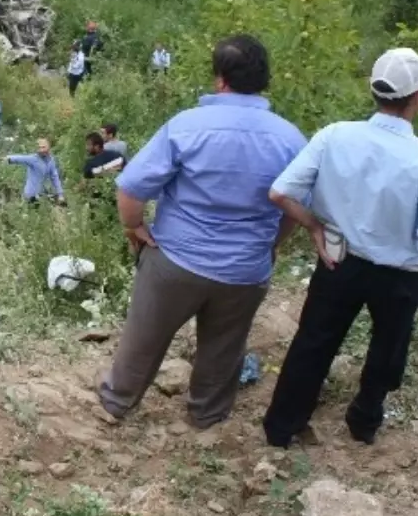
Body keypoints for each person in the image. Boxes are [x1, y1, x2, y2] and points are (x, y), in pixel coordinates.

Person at [100, 35, 306, 431]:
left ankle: (117, 401)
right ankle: (206, 417)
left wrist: (134, 227)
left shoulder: (188, 126)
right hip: (245, 271)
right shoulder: (290, 139)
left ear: (220, 79)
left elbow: (130, 188)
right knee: (223, 348)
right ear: (265, 81)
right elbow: (295, 209)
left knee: (145, 335)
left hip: (176, 259)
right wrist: (269, 247)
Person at [262, 47, 418, 449]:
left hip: (339, 259)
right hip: (399, 274)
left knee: (314, 341)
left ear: (374, 92)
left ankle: (282, 427)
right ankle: (364, 421)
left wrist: (314, 225)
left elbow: (280, 193)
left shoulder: (335, 135)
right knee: (388, 347)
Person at [7, 139, 65, 205]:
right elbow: (20, 158)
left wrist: (60, 194)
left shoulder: (51, 161)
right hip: (30, 196)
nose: (41, 150)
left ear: (48, 147)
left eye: (43, 147)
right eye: (39, 147)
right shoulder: (33, 159)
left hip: (41, 195)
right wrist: (7, 158)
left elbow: (55, 178)